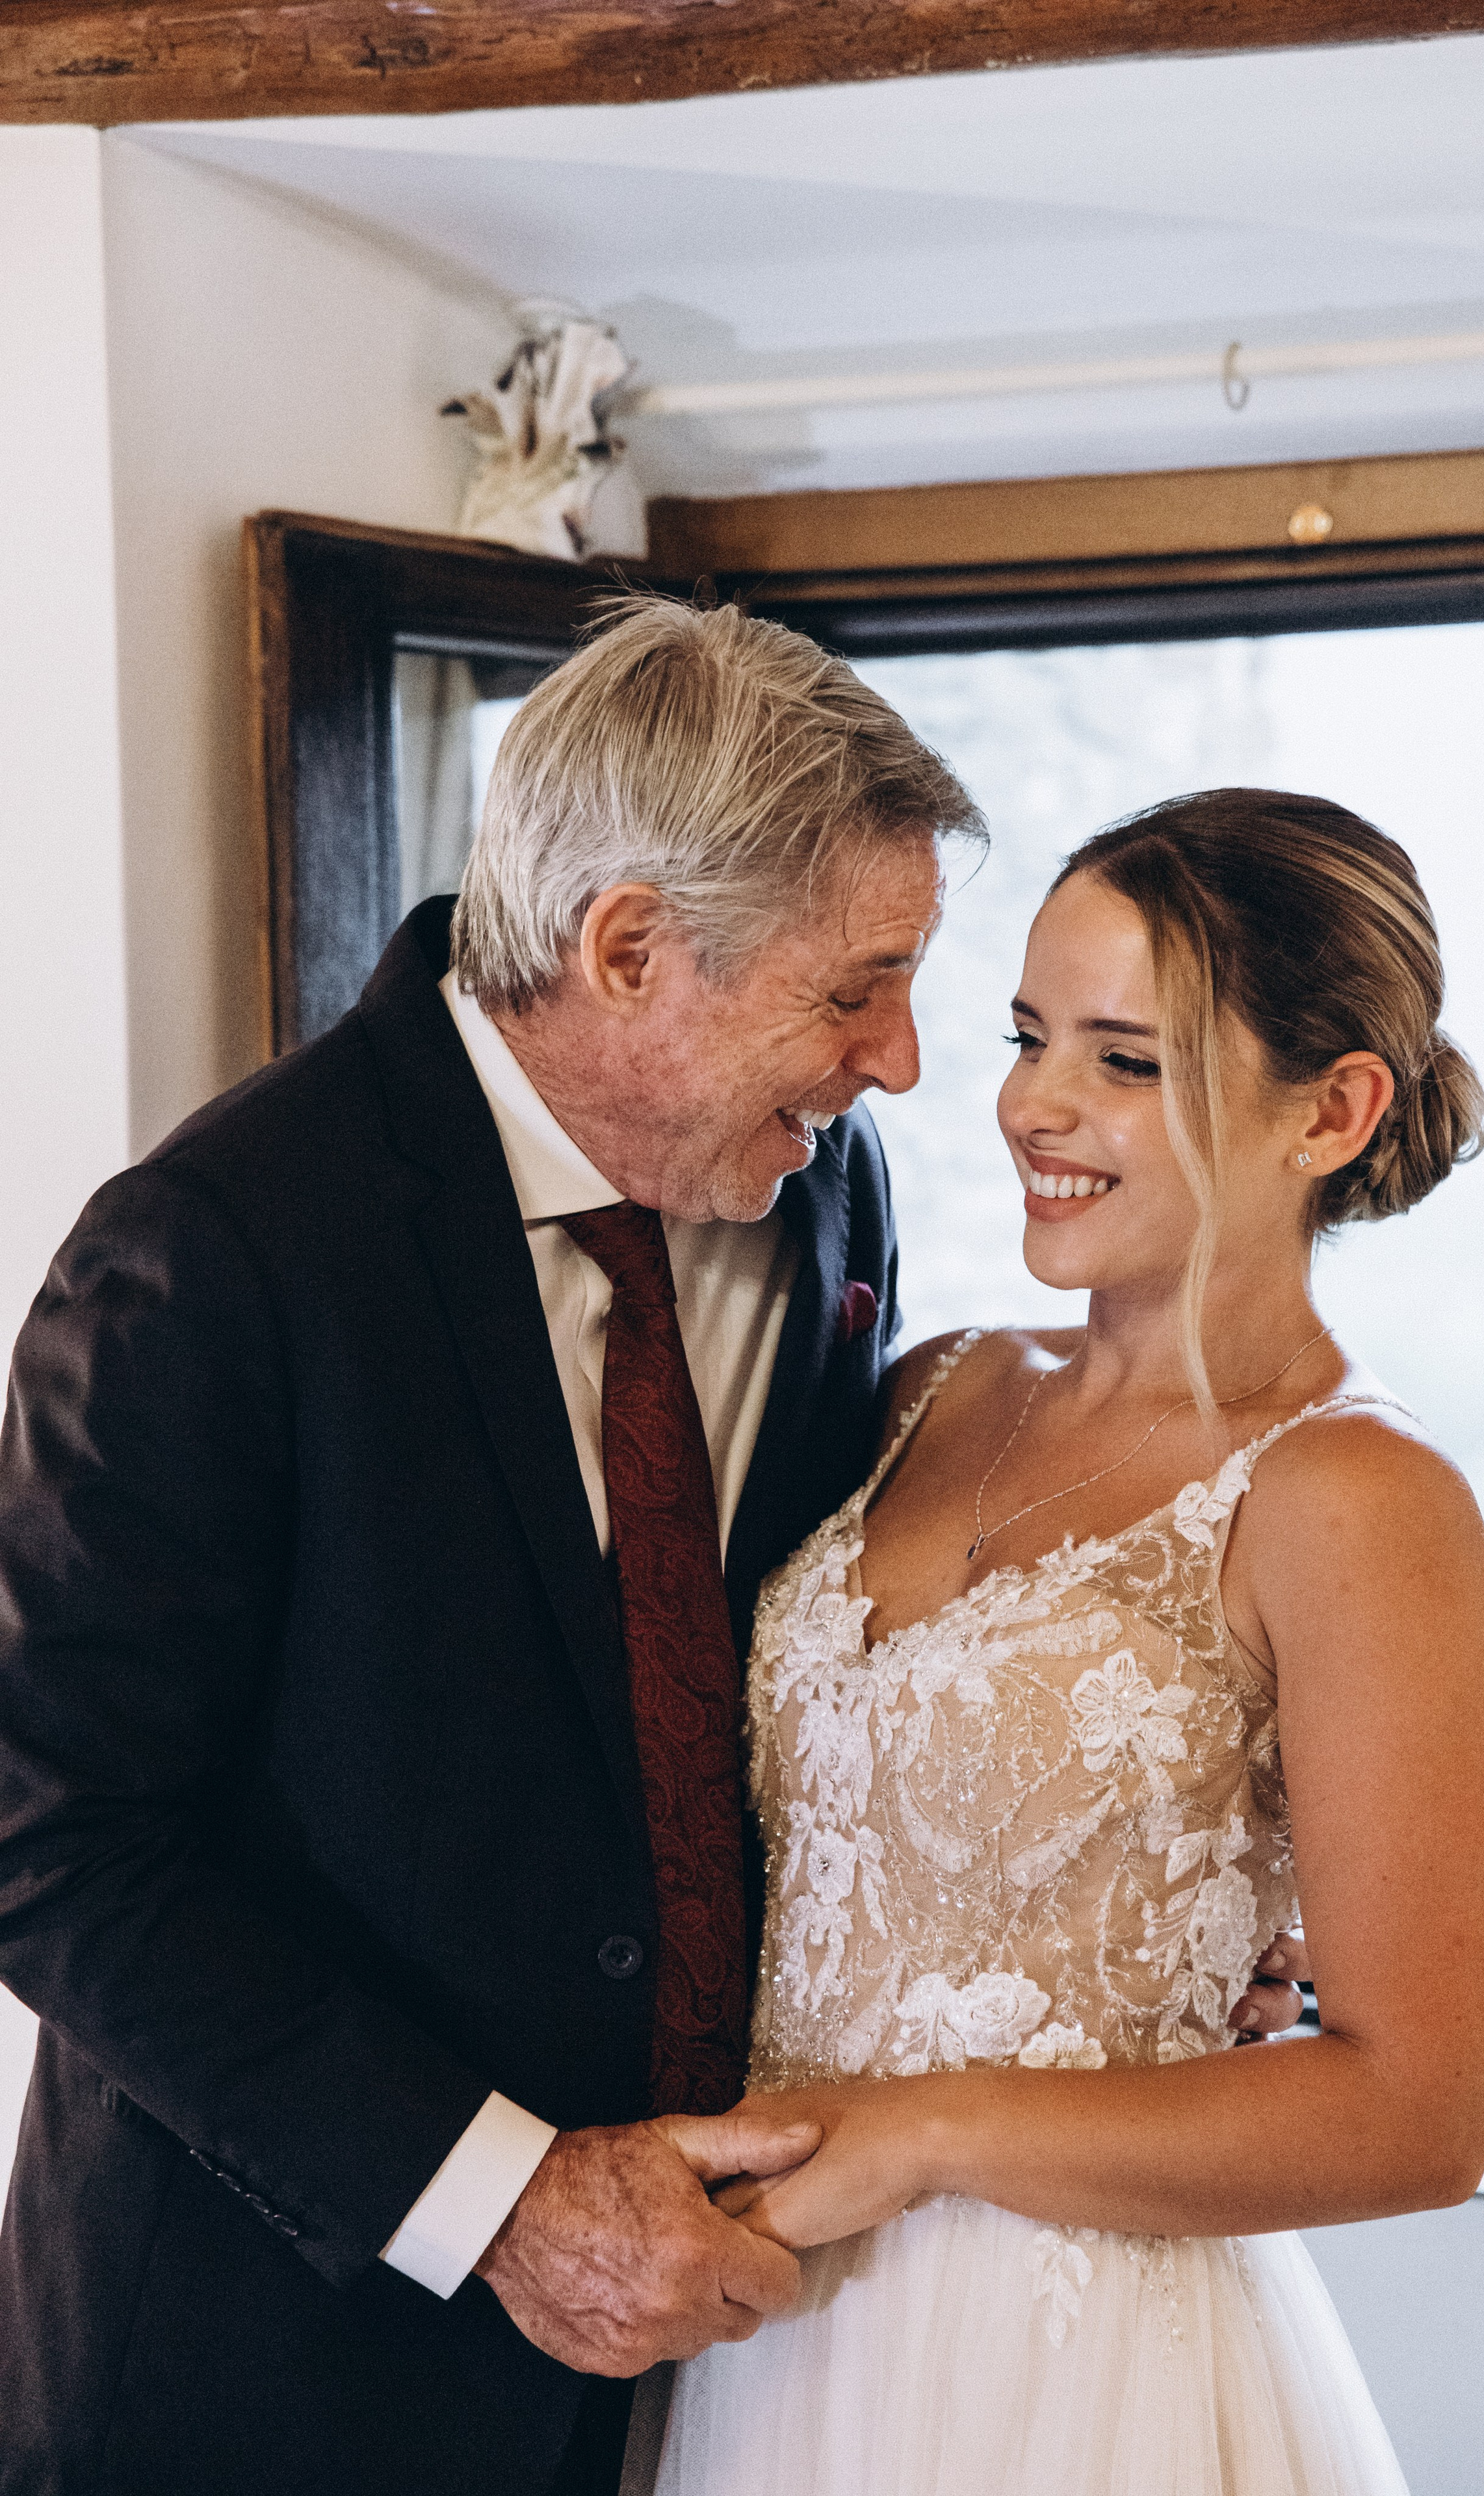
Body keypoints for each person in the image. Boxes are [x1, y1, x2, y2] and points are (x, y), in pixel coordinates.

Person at [0, 603, 1307, 2496]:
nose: (904, 1063)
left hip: (725, 2371)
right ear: (629, 949)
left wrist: (1125, 1913)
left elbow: (814, 1667)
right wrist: (502, 2200)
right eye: (856, 986)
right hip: (267, 2379)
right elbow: (53, 1843)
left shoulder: (811, 1184)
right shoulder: (217, 1252)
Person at [654, 790, 1484, 2496]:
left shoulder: (1356, 1496)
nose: (1031, 1106)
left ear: (1334, 1111)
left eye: (1126, 1061)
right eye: (1028, 1035)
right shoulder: (930, 1392)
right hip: (767, 2342)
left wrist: (925, 2136)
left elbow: (1424, 2109)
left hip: (1066, 2371)